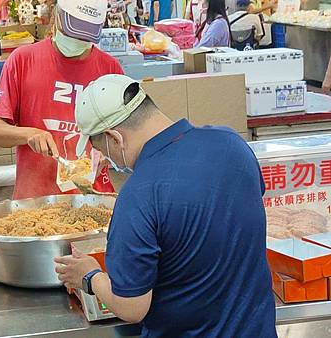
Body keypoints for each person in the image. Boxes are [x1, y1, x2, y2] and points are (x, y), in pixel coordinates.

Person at [54, 74, 277, 337]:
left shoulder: (138, 196)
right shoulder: (232, 143)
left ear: (115, 138)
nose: (106, 159)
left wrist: (91, 276)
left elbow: (131, 306)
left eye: (102, 149)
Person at [0, 0, 123, 199]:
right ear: (57, 17)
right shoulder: (23, 60)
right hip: (35, 203)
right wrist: (28, 134)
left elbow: (126, 137)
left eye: (84, 37)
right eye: (72, 33)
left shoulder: (110, 70)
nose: (76, 41)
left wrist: (108, 153)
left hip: (93, 200)